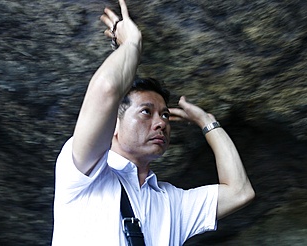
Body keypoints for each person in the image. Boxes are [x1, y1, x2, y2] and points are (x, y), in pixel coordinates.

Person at [51, 0, 255, 245]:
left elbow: (240, 192)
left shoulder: (172, 203)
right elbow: (106, 88)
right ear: (113, 125)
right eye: (146, 112)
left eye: (165, 115)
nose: (161, 123)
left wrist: (207, 122)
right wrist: (132, 44)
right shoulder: (84, 171)